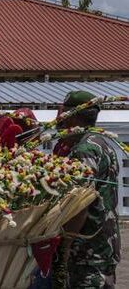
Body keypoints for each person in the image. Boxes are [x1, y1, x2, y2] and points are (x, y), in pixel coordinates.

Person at [54, 91, 120, 288]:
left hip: (87, 251)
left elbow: (79, 204)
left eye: (63, 116)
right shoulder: (102, 144)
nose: (60, 122)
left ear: (72, 116)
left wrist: (65, 246)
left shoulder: (84, 151)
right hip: (103, 246)